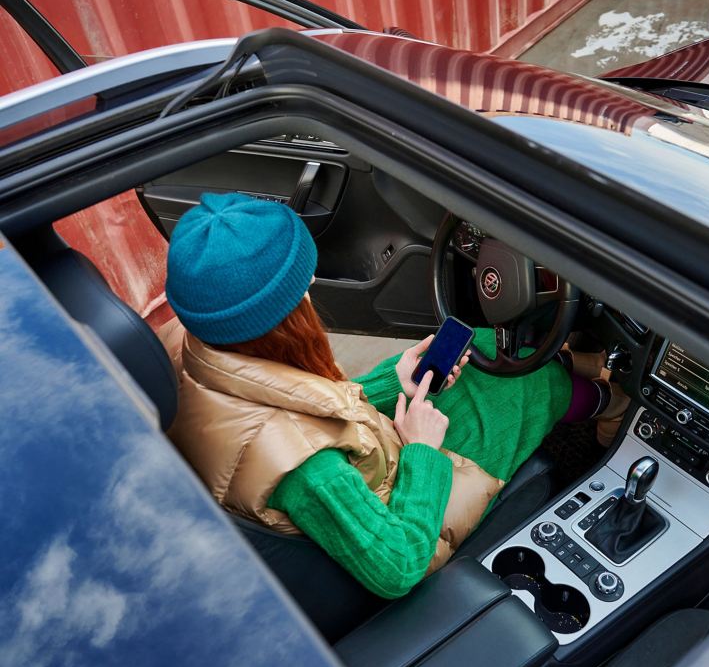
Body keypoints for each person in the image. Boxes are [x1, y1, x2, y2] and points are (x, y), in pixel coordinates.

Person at [165, 193, 624, 599]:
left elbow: (302, 411)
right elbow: (396, 566)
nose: (309, 291)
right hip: (405, 502)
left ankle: (576, 367)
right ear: (277, 321)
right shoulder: (307, 472)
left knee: (483, 347)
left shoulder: (193, 354)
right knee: (522, 386)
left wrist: (393, 384)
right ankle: (609, 403)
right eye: (301, 288)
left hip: (369, 456)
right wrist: (423, 450)